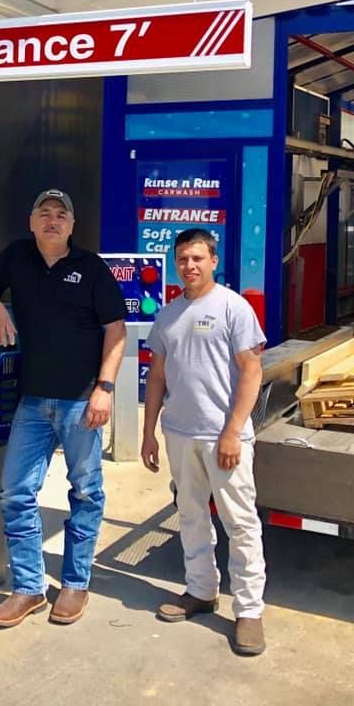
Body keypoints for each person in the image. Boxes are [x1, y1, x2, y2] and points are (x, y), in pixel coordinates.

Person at [0, 188, 127, 628]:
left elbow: (116, 331)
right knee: (15, 493)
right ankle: (29, 588)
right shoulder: (17, 257)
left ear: (72, 226)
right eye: (45, 213)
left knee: (86, 493)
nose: (53, 220)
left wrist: (105, 388)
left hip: (81, 403)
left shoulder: (92, 268)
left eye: (62, 214)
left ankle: (75, 583)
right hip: (33, 402)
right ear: (32, 222)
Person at [141, 228, 267, 656]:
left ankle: (249, 611)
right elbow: (157, 376)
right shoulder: (168, 314)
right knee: (191, 515)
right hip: (180, 435)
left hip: (223, 438)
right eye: (182, 259)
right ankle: (201, 590)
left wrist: (233, 431)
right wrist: (148, 434)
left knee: (239, 523)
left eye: (197, 258)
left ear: (213, 261)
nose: (189, 266)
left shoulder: (234, 307)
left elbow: (252, 371)